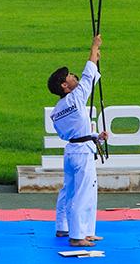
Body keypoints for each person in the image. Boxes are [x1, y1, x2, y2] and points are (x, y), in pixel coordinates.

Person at [48, 35, 108, 248]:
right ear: (65, 85)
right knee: (84, 192)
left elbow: (71, 133)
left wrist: (95, 136)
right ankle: (77, 235)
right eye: (70, 76)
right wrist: (94, 47)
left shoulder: (56, 112)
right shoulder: (76, 97)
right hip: (81, 153)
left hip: (72, 150)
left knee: (69, 190)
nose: (74, 76)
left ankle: (64, 227)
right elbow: (89, 72)